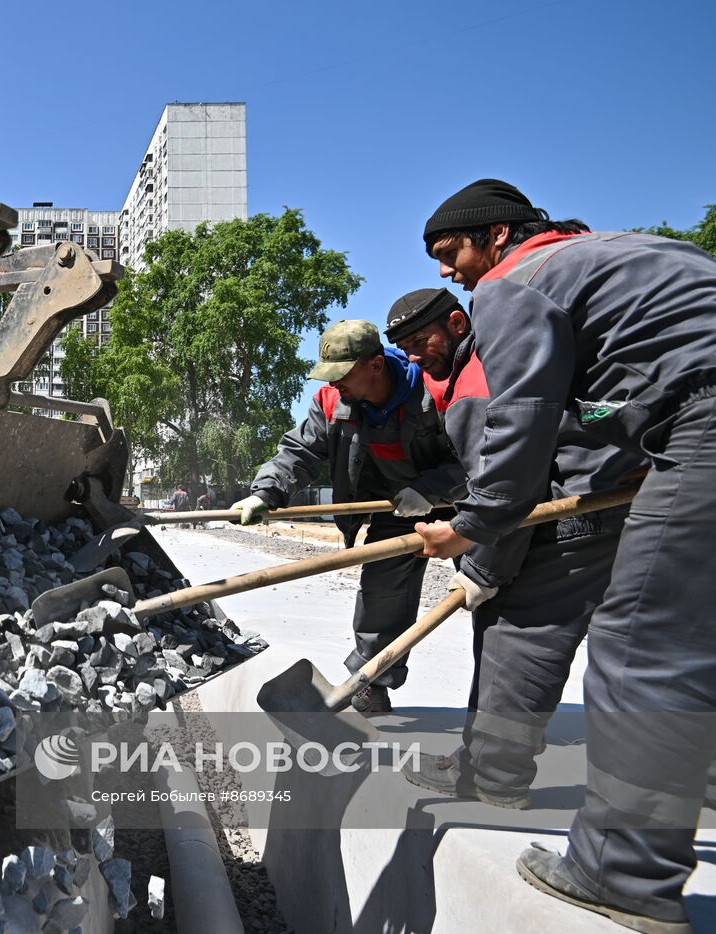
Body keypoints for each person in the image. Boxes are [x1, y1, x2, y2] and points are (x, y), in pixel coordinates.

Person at [415, 177, 716, 933]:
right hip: (689, 423)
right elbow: (631, 387)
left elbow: (523, 425)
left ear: (497, 236)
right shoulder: (622, 254)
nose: (449, 271)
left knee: (645, 644)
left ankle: (623, 873)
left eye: (452, 252)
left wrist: (472, 527)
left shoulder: (516, 284)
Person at [385, 285, 639, 808]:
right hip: (606, 500)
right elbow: (490, 475)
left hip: (574, 514)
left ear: (457, 323)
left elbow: (510, 491)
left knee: (516, 639)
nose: (413, 353)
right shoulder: (487, 363)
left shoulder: (478, 378)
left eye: (420, 338)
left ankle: (491, 776)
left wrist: (481, 569)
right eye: (404, 344)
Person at [233, 320, 466, 713]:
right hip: (393, 509)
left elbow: (476, 456)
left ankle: (502, 702)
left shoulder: (436, 390)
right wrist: (265, 492)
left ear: (376, 365)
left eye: (342, 373)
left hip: (462, 506)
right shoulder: (331, 401)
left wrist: (430, 490)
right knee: (381, 595)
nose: (334, 383)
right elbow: (299, 452)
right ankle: (371, 682)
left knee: (489, 592)